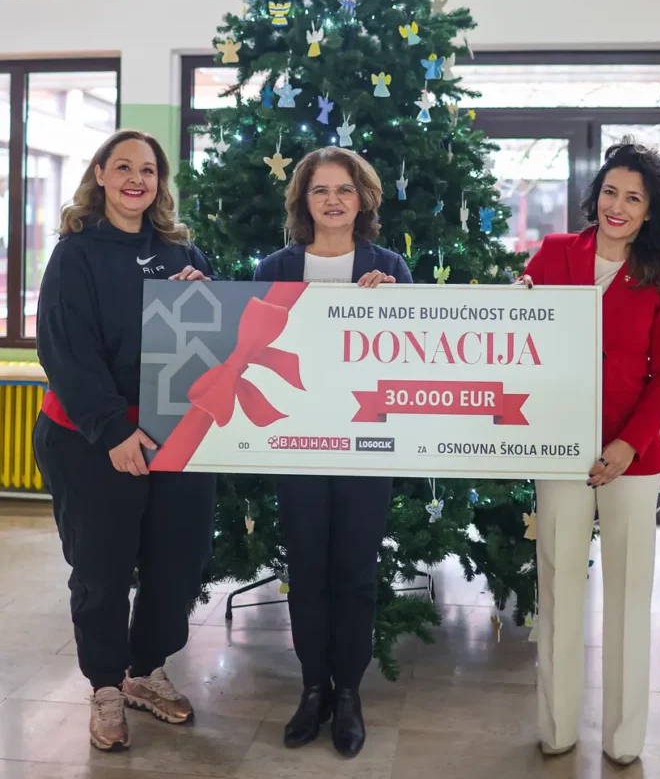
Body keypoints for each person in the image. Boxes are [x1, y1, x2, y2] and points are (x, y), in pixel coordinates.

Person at [32, 130, 217, 753]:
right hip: (91, 437)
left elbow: (217, 330)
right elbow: (65, 349)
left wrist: (204, 291)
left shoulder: (181, 250)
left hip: (175, 436)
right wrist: (112, 428)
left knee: (177, 560)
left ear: (159, 182)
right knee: (103, 569)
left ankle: (145, 670)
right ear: (101, 175)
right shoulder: (76, 254)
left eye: (148, 170)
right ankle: (106, 686)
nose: (137, 179)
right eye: (124, 167)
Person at [522, 139, 660, 767]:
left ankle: (623, 740)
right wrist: (518, 299)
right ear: (596, 197)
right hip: (557, 446)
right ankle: (557, 728)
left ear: (650, 211)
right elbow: (517, 333)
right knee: (559, 587)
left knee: (627, 598)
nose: (618, 206)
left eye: (634, 198)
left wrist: (627, 444)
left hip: (631, 457)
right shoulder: (554, 253)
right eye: (610, 192)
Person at [254, 146, 411, 759]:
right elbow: (245, 346)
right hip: (296, 448)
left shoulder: (389, 267)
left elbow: (415, 351)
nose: (333, 200)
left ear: (362, 198)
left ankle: (348, 693)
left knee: (355, 575)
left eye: (344, 188)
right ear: (304, 200)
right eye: (320, 189)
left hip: (366, 450)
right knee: (308, 574)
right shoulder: (274, 268)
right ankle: (312, 688)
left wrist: (394, 307)